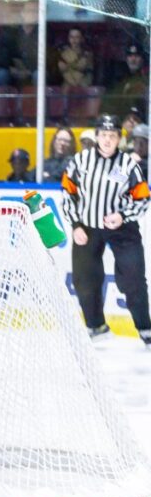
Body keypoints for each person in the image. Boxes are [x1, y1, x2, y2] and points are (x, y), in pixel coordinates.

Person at [61, 114, 151, 347]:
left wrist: (123, 215)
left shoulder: (129, 165)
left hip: (123, 228)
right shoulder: (80, 161)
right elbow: (68, 193)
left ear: (119, 138)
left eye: (112, 136)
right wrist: (76, 225)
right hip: (88, 227)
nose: (108, 140)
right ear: (97, 136)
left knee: (133, 279)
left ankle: (145, 328)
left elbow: (143, 198)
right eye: (104, 135)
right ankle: (96, 326)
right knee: (84, 280)